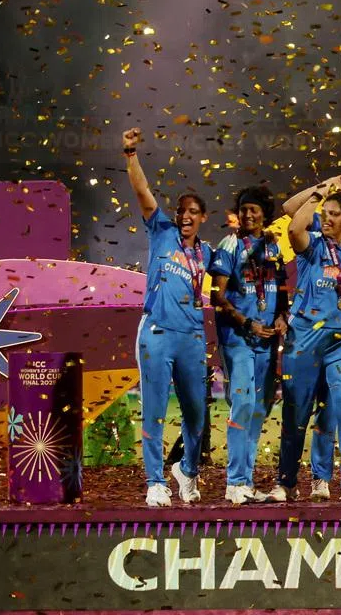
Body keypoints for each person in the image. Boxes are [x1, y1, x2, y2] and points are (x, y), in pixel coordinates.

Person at [122, 127, 213, 507]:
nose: (186, 216)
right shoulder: (161, 231)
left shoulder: (207, 253)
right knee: (155, 411)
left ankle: (186, 470)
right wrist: (130, 155)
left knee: (197, 415)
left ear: (204, 218)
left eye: (193, 212)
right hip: (157, 332)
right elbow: (143, 192)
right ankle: (155, 481)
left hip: (192, 337)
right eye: (182, 210)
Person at [270, 190, 341, 504]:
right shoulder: (314, 245)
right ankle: (286, 482)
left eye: (334, 214)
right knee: (296, 414)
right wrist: (321, 191)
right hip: (304, 337)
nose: (327, 218)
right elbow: (293, 225)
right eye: (324, 213)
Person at [209, 186, 288, 504]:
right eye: (244, 209)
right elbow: (218, 295)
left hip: (267, 340)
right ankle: (235, 481)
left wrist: (283, 316)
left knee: (259, 408)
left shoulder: (274, 247)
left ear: (265, 214)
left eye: (254, 209)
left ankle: (245, 480)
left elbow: (281, 290)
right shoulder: (229, 245)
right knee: (242, 403)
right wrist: (246, 322)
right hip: (238, 338)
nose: (248, 214)